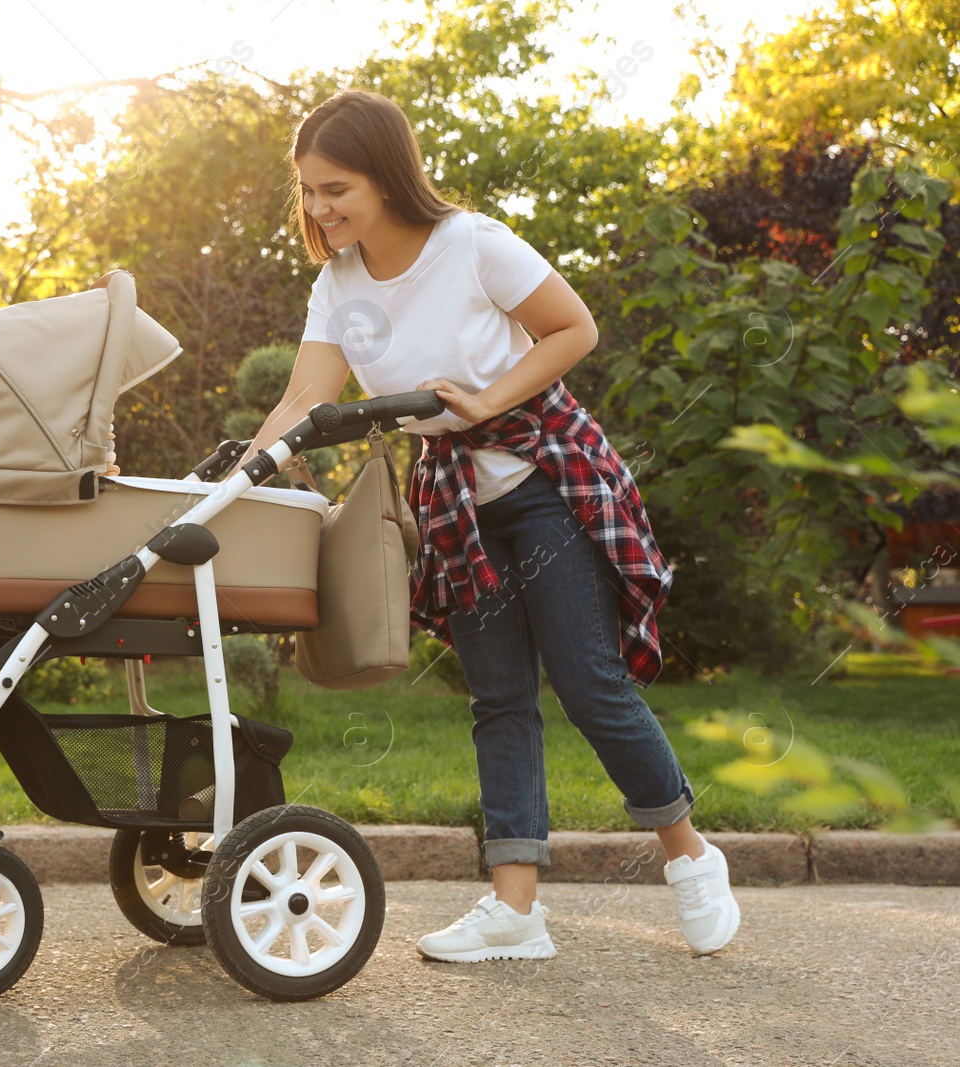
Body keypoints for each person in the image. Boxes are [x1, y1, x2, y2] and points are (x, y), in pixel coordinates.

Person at [230, 89, 740, 961]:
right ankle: (516, 911)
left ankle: (691, 857)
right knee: (498, 698)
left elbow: (572, 327)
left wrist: (489, 399)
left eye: (336, 188)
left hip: (546, 478)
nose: (319, 209)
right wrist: (239, 476)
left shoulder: (472, 246)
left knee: (589, 684)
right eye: (308, 190)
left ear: (387, 177)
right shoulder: (339, 283)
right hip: (458, 502)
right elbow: (305, 397)